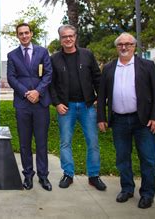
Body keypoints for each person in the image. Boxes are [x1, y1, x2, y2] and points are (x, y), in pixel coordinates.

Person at [97, 32, 155, 209]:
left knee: (147, 159)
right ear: (116, 47)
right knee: (122, 158)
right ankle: (127, 188)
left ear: (134, 46)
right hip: (118, 121)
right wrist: (101, 118)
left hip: (143, 121)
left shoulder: (147, 66)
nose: (124, 47)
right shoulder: (109, 68)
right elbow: (102, 94)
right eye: (120, 44)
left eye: (128, 44)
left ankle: (148, 194)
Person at [49, 24, 107, 191]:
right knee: (65, 142)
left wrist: (98, 99)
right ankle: (68, 174)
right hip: (66, 108)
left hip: (88, 106)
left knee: (93, 142)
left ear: (75, 37)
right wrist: (57, 103)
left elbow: (97, 78)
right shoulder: (54, 59)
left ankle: (94, 176)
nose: (68, 39)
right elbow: (51, 85)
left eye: (70, 36)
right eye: (64, 36)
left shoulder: (87, 55)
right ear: (60, 39)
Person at [7, 23, 53, 191]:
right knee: (25, 142)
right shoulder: (12, 55)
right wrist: (27, 93)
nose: (24, 36)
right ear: (17, 36)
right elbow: (11, 78)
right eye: (21, 33)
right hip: (22, 104)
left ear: (31, 34)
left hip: (40, 103)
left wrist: (38, 92)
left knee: (41, 142)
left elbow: (48, 74)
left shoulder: (42, 52)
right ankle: (28, 175)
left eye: (27, 33)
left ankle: (43, 176)